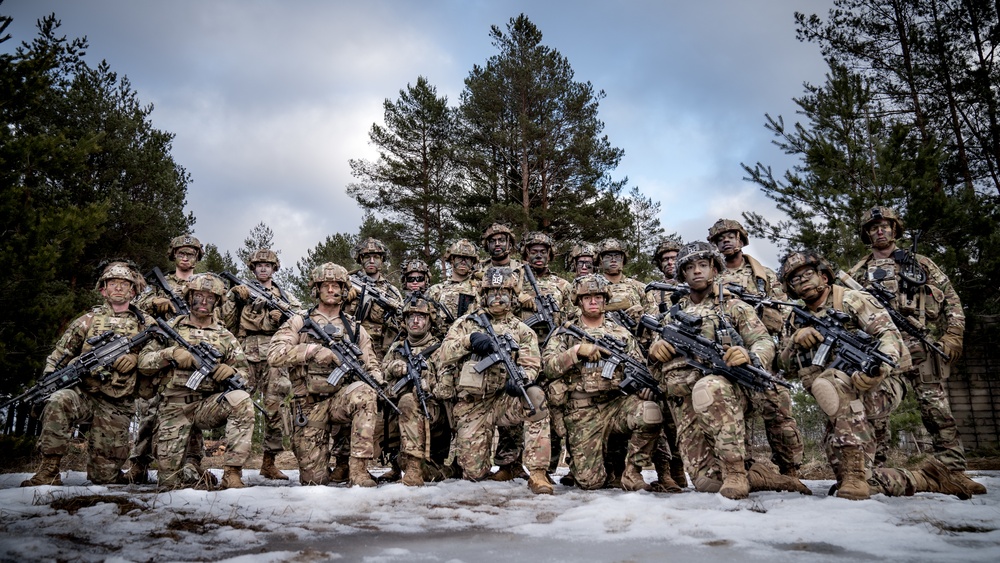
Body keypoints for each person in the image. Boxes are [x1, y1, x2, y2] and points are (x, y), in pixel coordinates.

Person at [777, 250, 972, 500]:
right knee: (855, 479)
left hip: (881, 385)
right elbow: (785, 366)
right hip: (841, 406)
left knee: (853, 475)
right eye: (795, 279)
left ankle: (857, 475)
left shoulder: (852, 299)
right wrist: (795, 341)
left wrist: (879, 370)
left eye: (807, 274)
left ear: (824, 277)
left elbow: (890, 339)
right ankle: (928, 479)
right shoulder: (795, 320)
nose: (802, 281)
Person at [646, 242, 806, 499]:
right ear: (682, 274)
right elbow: (655, 351)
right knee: (706, 483)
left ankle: (736, 472)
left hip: (727, 392)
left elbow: (764, 343)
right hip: (685, 403)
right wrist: (658, 349)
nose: (697, 271)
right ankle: (761, 475)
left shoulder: (734, 307)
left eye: (702, 265)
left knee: (710, 387)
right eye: (690, 267)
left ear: (714, 269)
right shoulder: (672, 314)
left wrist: (748, 355)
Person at [848, 206, 985, 495]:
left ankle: (954, 471)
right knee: (876, 410)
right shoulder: (857, 273)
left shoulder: (921, 263)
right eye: (874, 228)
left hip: (921, 347)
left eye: (885, 226)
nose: (880, 231)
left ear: (895, 230)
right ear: (867, 234)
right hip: (881, 350)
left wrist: (954, 334)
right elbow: (842, 309)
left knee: (937, 410)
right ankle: (872, 475)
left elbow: (951, 299)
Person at [21, 261, 155, 487]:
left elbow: (158, 355)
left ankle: (111, 469)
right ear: (103, 289)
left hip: (117, 402)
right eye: (113, 283)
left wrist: (135, 359)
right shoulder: (87, 321)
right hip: (84, 395)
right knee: (58, 400)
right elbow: (59, 355)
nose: (119, 288)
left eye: (125, 284)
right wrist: (48, 381)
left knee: (104, 479)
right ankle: (49, 471)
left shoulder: (145, 323)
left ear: (133, 290)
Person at [436, 266, 553, 494]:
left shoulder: (522, 330)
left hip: (503, 401)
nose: (498, 297)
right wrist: (469, 341)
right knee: (473, 473)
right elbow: (443, 354)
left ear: (512, 296)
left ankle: (538, 473)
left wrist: (522, 377)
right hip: (472, 404)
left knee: (535, 398)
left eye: (504, 292)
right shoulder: (466, 323)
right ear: (483, 295)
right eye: (492, 292)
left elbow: (532, 364)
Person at [267, 262, 384, 487]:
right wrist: (311, 351)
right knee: (314, 482)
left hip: (341, 402)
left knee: (365, 393)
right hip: (309, 406)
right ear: (317, 289)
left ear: (344, 290)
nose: (331, 290)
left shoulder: (355, 329)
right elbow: (274, 355)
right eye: (326, 285)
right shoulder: (299, 321)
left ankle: (358, 470)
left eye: (336, 285)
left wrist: (377, 379)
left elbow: (372, 365)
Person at [542, 274, 661, 491]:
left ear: (605, 300)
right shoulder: (565, 333)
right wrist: (576, 352)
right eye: (588, 297)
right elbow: (548, 368)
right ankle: (601, 465)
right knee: (590, 483)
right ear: (579, 301)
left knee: (650, 411)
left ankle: (632, 472)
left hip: (617, 406)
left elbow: (640, 367)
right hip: (582, 411)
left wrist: (644, 388)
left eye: (598, 296)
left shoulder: (621, 333)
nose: (594, 301)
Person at [137, 273, 255, 490]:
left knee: (241, 400)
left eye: (210, 298)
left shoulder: (225, 336)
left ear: (217, 301)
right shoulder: (169, 329)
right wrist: (170, 354)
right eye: (198, 296)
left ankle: (232, 473)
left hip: (206, 406)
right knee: (169, 483)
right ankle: (194, 472)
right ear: (188, 297)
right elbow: (143, 362)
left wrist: (230, 372)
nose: (203, 302)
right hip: (173, 406)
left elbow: (245, 377)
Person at [708, 218, 805, 478]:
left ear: (741, 239)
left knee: (779, 411)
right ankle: (744, 469)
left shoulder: (763, 276)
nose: (726, 240)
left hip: (763, 351)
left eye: (731, 236)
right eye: (720, 238)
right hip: (725, 351)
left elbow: (785, 313)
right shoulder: (712, 277)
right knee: (733, 411)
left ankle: (790, 469)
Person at [126, 234, 207, 484]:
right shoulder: (161, 284)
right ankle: (139, 463)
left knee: (191, 404)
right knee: (151, 409)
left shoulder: (203, 282)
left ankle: (193, 461)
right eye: (181, 253)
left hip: (192, 348)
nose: (185, 257)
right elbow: (136, 305)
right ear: (173, 255)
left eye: (190, 254)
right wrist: (156, 300)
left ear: (196, 258)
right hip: (162, 347)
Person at [221, 248, 302, 481]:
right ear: (253, 268)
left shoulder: (285, 296)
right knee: (237, 403)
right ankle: (232, 466)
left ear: (275, 268)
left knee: (274, 408)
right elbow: (226, 322)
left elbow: (299, 321)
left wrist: (282, 320)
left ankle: (269, 462)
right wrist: (234, 298)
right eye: (259, 265)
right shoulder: (242, 290)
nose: (263, 268)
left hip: (275, 355)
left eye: (268, 265)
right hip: (244, 353)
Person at [382, 297, 454, 486]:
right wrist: (392, 368)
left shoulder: (440, 349)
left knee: (408, 401)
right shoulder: (397, 348)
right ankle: (366, 467)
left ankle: (414, 468)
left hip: (432, 411)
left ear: (429, 321)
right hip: (398, 409)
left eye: (421, 317)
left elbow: (447, 388)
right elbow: (379, 378)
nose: (415, 321)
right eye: (411, 317)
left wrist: (426, 384)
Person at [345, 237, 404, 361]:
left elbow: (401, 323)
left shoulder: (391, 292)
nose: (371, 261)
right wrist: (344, 296)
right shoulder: (347, 282)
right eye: (367, 257)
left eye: (376, 257)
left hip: (379, 352)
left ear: (382, 260)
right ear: (361, 259)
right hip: (347, 345)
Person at [426, 238, 481, 324]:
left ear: (472, 262)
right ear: (452, 260)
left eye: (467, 259)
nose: (463, 262)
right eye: (459, 258)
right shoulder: (436, 290)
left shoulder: (479, 288)